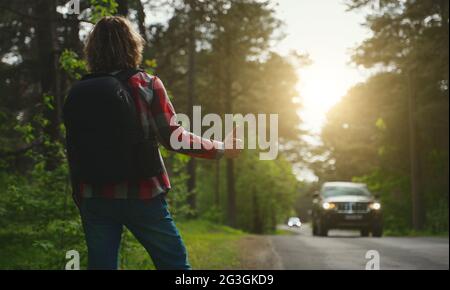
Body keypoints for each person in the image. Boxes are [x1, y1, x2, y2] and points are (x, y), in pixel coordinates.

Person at [63, 16, 241, 270]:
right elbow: (174, 138)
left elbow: (73, 147)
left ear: (93, 49)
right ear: (132, 45)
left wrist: (79, 193)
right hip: (142, 193)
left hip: (94, 194)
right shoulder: (146, 84)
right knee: (175, 265)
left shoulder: (79, 91)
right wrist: (221, 148)